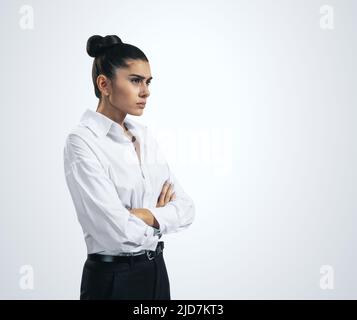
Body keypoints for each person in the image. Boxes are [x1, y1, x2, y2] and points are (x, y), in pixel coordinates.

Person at [63, 35, 195, 300]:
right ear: (104, 84)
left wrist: (144, 215)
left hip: (157, 271)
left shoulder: (144, 137)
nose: (145, 91)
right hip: (113, 280)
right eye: (135, 81)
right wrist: (161, 213)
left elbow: (187, 209)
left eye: (148, 82)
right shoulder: (83, 142)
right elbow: (118, 233)